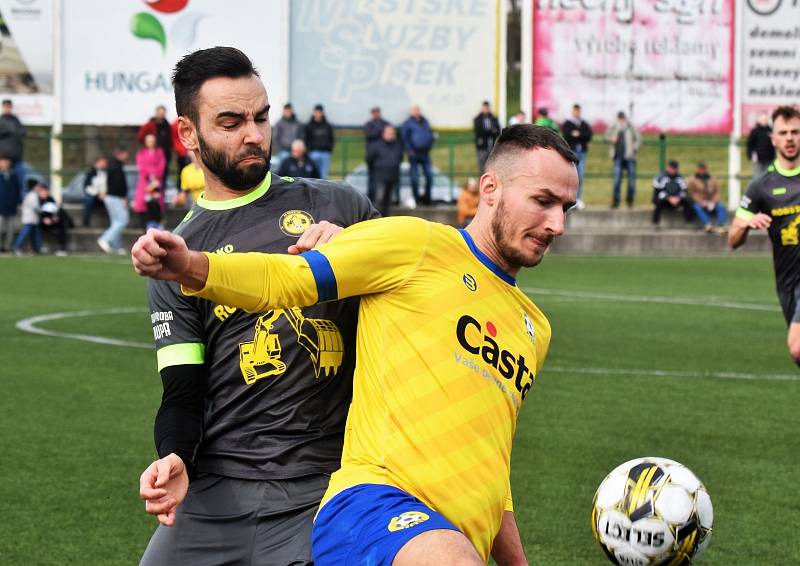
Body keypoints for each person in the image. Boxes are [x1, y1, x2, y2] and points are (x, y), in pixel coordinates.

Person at [131, 124, 579, 565]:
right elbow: (287, 280)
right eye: (542, 201)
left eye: (566, 207)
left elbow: (492, 470)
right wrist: (190, 264)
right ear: (490, 188)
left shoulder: (535, 329)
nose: (556, 224)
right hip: (372, 509)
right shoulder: (415, 243)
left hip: (450, 537)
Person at [133, 46, 378, 566]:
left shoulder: (339, 206)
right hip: (217, 492)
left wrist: (357, 254)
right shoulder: (178, 255)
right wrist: (174, 456)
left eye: (261, 117)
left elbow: (417, 291)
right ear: (187, 135)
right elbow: (182, 394)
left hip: (327, 484)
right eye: (230, 121)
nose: (254, 135)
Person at [730, 105, 800, 367]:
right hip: (786, 282)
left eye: (795, 131)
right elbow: (732, 239)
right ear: (773, 138)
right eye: (783, 132)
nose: (790, 138)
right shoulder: (761, 187)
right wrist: (747, 223)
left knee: (797, 346)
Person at [605, 111, 641, 208]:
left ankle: (630, 200)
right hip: (618, 157)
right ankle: (616, 201)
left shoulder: (630, 126)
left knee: (631, 181)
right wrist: (612, 139)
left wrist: (635, 148)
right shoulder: (614, 126)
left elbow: (638, 138)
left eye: (622, 118)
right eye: (619, 118)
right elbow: (606, 136)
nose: (621, 120)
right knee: (616, 180)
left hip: (630, 157)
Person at [97, 148, 130, 254]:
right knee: (122, 220)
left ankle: (116, 246)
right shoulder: (116, 166)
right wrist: (123, 196)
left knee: (116, 222)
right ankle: (105, 239)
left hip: (110, 197)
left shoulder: (111, 165)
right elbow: (119, 184)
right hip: (115, 197)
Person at [401, 105, 436, 205]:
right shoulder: (408, 123)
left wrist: (431, 141)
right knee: (414, 178)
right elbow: (405, 138)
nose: (417, 112)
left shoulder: (425, 121)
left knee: (429, 176)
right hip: (414, 154)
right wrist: (409, 150)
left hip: (425, 153)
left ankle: (427, 198)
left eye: (418, 110)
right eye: (415, 110)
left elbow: (429, 133)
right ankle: (417, 199)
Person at [365, 125, 403, 216]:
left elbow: (400, 158)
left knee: (388, 202)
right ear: (383, 134)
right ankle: (376, 220)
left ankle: (385, 220)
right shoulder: (376, 146)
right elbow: (369, 159)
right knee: (378, 200)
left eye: (392, 133)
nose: (390, 135)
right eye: (388, 133)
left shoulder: (397, 146)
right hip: (380, 177)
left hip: (393, 177)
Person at [562, 104, 593, 210]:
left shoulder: (583, 123)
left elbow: (588, 135)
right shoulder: (568, 123)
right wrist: (576, 135)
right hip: (572, 153)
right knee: (572, 176)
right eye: (575, 111)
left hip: (582, 153)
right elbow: (567, 135)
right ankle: (570, 199)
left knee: (580, 176)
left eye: (578, 111)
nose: (577, 113)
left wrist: (578, 134)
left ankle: (578, 199)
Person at [135, 133, 166, 231]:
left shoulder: (159, 152)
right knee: (144, 203)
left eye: (152, 141)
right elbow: (141, 166)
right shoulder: (141, 152)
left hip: (156, 181)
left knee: (156, 202)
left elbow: (162, 164)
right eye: (148, 141)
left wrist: (155, 175)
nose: (150, 143)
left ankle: (156, 225)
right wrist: (150, 175)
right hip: (145, 181)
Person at [687, 162, 727, 233]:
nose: (702, 171)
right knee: (697, 207)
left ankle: (721, 225)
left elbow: (717, 192)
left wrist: (713, 202)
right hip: (699, 202)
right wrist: (701, 202)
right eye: (701, 169)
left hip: (711, 201)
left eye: (704, 169)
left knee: (721, 206)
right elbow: (691, 193)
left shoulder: (712, 179)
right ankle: (707, 224)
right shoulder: (692, 180)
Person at [138, 105, 172, 184]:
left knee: (162, 175)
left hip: (165, 153)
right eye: (159, 113)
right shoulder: (150, 124)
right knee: (150, 177)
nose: (161, 115)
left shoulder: (167, 125)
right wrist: (148, 144)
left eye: (163, 113)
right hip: (153, 153)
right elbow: (140, 136)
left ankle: (160, 192)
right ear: (156, 113)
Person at [652, 160, 691, 227]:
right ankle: (655, 223)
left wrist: (678, 197)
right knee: (658, 201)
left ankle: (689, 222)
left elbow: (684, 190)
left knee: (688, 200)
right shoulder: (660, 177)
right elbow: (658, 191)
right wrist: (669, 198)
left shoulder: (680, 178)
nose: (672, 170)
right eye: (670, 168)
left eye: (674, 168)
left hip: (677, 199)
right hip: (665, 199)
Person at [0, 99, 27, 198]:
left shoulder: (16, 120)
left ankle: (19, 201)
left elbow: (23, 132)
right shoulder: (1, 120)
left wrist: (11, 130)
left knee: (20, 181)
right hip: (3, 158)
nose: (8, 109)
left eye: (9, 106)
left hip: (16, 157)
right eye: (6, 106)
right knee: (3, 183)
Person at [37, 182, 71, 256]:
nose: (42, 193)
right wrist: (43, 219)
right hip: (41, 222)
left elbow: (55, 211)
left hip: (51, 221)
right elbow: (38, 212)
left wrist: (53, 219)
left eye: (43, 191)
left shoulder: (50, 199)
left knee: (61, 226)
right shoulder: (37, 200)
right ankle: (40, 246)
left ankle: (62, 248)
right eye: (41, 191)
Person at [364, 106, 390, 201]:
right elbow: (369, 134)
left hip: (383, 156)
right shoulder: (368, 124)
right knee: (371, 178)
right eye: (374, 112)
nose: (375, 114)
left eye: (377, 112)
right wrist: (381, 132)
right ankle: (371, 198)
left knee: (384, 178)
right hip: (372, 155)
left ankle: (383, 198)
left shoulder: (385, 123)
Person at [304, 104, 334, 178]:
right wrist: (310, 150)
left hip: (325, 153)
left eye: (320, 112)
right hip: (313, 153)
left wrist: (329, 149)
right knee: (313, 175)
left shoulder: (327, 126)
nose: (318, 114)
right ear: (314, 113)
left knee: (324, 176)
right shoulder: (309, 126)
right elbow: (306, 139)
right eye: (316, 112)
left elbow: (331, 139)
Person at [13, 179, 42, 255]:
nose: (39, 187)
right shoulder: (32, 195)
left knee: (36, 235)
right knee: (24, 233)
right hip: (30, 219)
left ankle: (37, 249)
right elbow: (35, 207)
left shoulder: (31, 195)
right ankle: (16, 247)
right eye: (37, 186)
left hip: (32, 219)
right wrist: (43, 211)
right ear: (34, 186)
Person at [473, 101, 501, 174]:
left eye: (487, 108)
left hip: (492, 146)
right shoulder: (478, 119)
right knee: (482, 167)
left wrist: (491, 132)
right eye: (485, 108)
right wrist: (491, 131)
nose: (486, 109)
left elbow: (497, 131)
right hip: (482, 147)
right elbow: (479, 131)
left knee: (492, 166)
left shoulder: (493, 119)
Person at [0, 155, 20, 252]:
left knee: (10, 229)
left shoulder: (13, 176)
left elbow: (17, 190)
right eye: (2, 162)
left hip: (11, 207)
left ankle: (7, 247)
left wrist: (17, 202)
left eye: (6, 162)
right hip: (1, 207)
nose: (4, 164)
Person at [747, 113, 775, 178]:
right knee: (758, 177)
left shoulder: (771, 130)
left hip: (769, 159)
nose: (764, 121)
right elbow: (750, 144)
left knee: (769, 177)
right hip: (758, 160)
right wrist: (751, 154)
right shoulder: (755, 131)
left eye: (766, 119)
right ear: (759, 120)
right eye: (763, 119)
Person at [82, 156, 108, 227]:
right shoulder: (91, 172)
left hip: (103, 195)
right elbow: (87, 187)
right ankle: (86, 221)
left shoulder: (105, 172)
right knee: (88, 200)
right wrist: (97, 193)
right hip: (93, 195)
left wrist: (104, 193)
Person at [171, 117, 190, 191]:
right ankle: (182, 189)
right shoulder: (176, 124)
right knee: (182, 171)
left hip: (188, 150)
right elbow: (173, 138)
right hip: (182, 152)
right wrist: (178, 149)